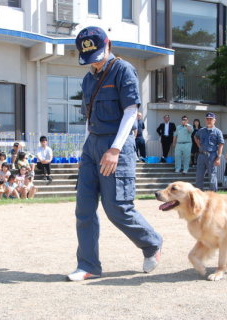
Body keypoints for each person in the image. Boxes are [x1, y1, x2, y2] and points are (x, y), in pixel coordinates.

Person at [68, 26, 163, 281]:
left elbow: (130, 112)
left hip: (116, 145)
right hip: (92, 146)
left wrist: (114, 149)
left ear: (108, 45)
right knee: (84, 209)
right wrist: (84, 153)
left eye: (97, 55)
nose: (94, 63)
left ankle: (151, 243)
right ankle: (88, 265)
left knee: (117, 207)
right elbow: (89, 119)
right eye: (89, 58)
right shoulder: (88, 79)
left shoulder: (123, 70)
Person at [194, 112, 224, 192]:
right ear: (205, 120)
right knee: (199, 176)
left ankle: (213, 194)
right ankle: (199, 194)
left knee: (212, 176)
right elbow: (195, 137)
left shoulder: (218, 132)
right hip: (201, 155)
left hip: (212, 156)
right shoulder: (201, 130)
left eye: (211, 119)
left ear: (214, 120)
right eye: (207, 119)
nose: (209, 120)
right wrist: (199, 146)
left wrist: (219, 158)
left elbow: (221, 145)